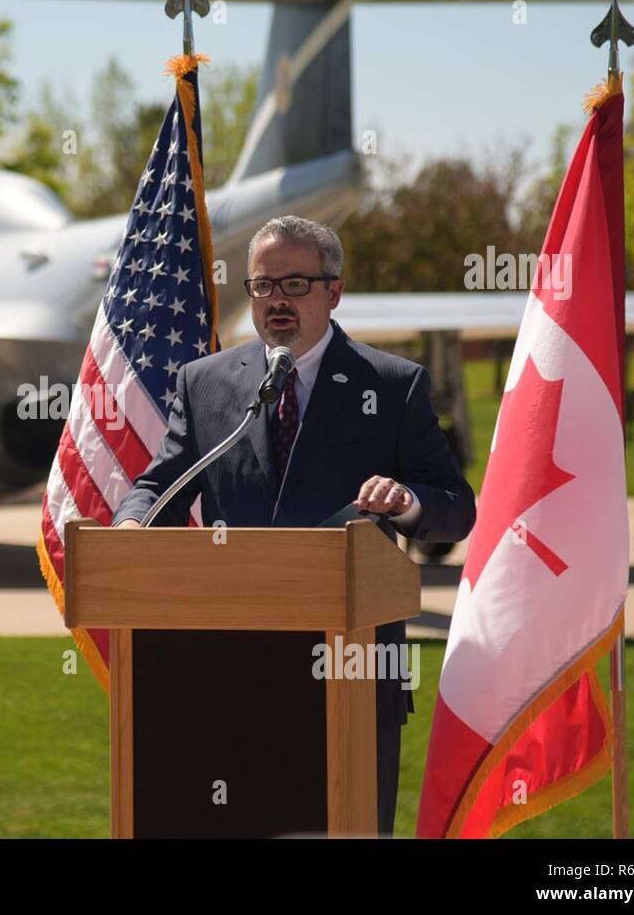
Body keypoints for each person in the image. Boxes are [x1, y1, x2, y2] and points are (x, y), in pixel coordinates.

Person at [112, 214, 476, 835]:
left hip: (350, 677)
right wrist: (128, 528)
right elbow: (160, 486)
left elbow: (454, 506)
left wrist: (406, 499)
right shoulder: (205, 383)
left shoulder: (390, 385)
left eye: (296, 284)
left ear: (334, 291)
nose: (277, 299)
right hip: (225, 676)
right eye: (262, 285)